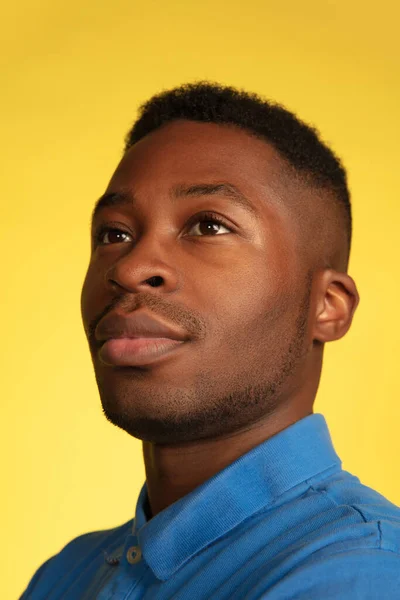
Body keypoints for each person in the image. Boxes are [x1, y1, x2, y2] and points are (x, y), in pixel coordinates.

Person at [21, 82, 400, 599]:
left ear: (326, 306)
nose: (131, 268)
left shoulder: (361, 573)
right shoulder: (64, 575)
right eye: (114, 234)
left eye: (208, 226)